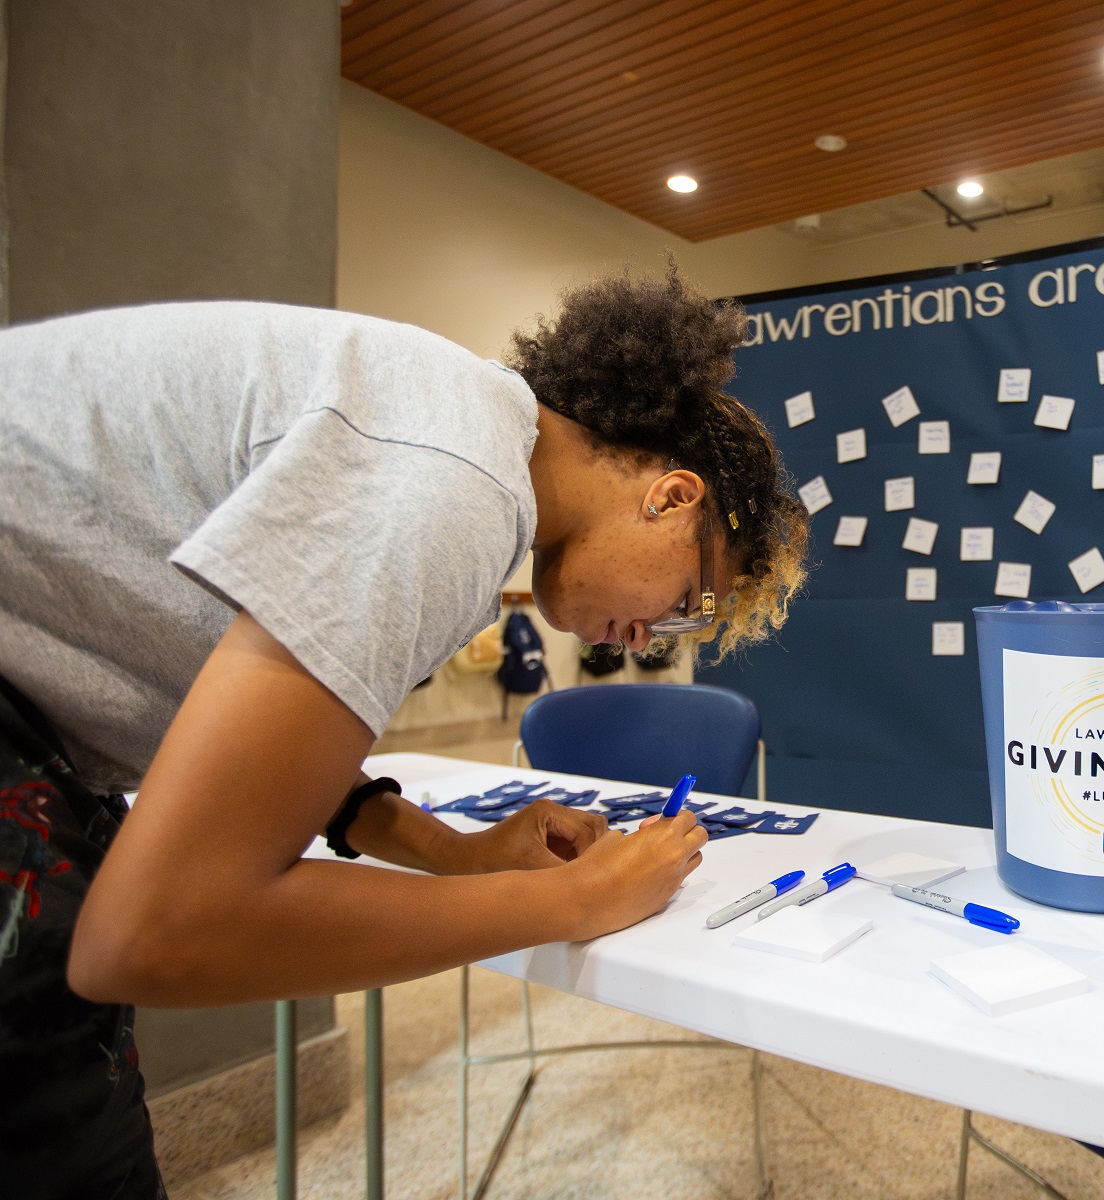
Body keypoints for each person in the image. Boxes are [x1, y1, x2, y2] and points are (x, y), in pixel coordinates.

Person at [0, 267, 808, 1199]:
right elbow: (154, 931)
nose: (652, 636)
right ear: (671, 497)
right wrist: (578, 903)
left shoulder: (451, 432)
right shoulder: (448, 484)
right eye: (688, 602)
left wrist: (454, 854)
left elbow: (250, 745)